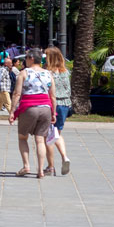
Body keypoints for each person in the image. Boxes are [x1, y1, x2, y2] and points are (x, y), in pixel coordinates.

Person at [11, 48, 54, 178]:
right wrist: (54, 113)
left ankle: (26, 166)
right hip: (46, 108)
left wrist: (12, 111)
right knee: (40, 140)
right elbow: (52, 96)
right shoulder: (48, 74)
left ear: (31, 59)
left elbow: (17, 93)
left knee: (22, 137)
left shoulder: (24, 73)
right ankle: (40, 170)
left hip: (28, 108)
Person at [46, 46, 73, 175]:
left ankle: (51, 165)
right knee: (57, 133)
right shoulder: (66, 72)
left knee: (49, 135)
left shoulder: (48, 73)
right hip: (65, 104)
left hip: (53, 104)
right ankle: (64, 157)